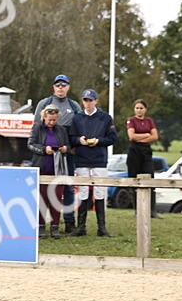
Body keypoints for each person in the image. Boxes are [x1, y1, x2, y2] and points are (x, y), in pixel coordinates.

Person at [35, 74, 81, 233]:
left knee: (67, 186)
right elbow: (36, 128)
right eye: (58, 85)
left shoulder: (74, 106)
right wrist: (41, 149)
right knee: (43, 188)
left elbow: (79, 127)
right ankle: (42, 224)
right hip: (46, 152)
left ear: (68, 87)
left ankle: (69, 222)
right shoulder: (44, 103)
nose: (60, 88)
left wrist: (72, 147)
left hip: (66, 152)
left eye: (64, 85)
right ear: (53, 87)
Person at [71, 89, 118, 237]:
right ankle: (81, 227)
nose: (88, 103)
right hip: (82, 159)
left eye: (90, 100)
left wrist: (98, 141)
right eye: (85, 100)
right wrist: (79, 140)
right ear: (82, 101)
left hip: (99, 159)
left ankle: (101, 228)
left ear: (96, 101)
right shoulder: (77, 118)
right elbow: (71, 137)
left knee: (100, 191)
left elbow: (112, 138)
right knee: (83, 192)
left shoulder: (105, 118)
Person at [29, 104, 69, 239]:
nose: (52, 122)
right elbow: (30, 144)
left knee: (56, 199)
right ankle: (40, 226)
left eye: (54, 120)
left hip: (58, 169)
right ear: (44, 117)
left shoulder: (61, 130)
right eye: (49, 120)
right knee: (42, 199)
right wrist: (43, 149)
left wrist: (64, 148)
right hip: (42, 168)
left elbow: (68, 145)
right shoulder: (37, 128)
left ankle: (55, 226)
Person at [126, 99, 160, 216]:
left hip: (146, 151)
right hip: (134, 151)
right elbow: (132, 136)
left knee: (149, 177)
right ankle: (137, 210)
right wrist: (146, 135)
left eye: (141, 108)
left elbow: (155, 136)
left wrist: (142, 138)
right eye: (137, 108)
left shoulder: (149, 121)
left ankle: (152, 210)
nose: (139, 110)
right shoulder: (131, 120)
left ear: (145, 109)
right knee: (134, 179)